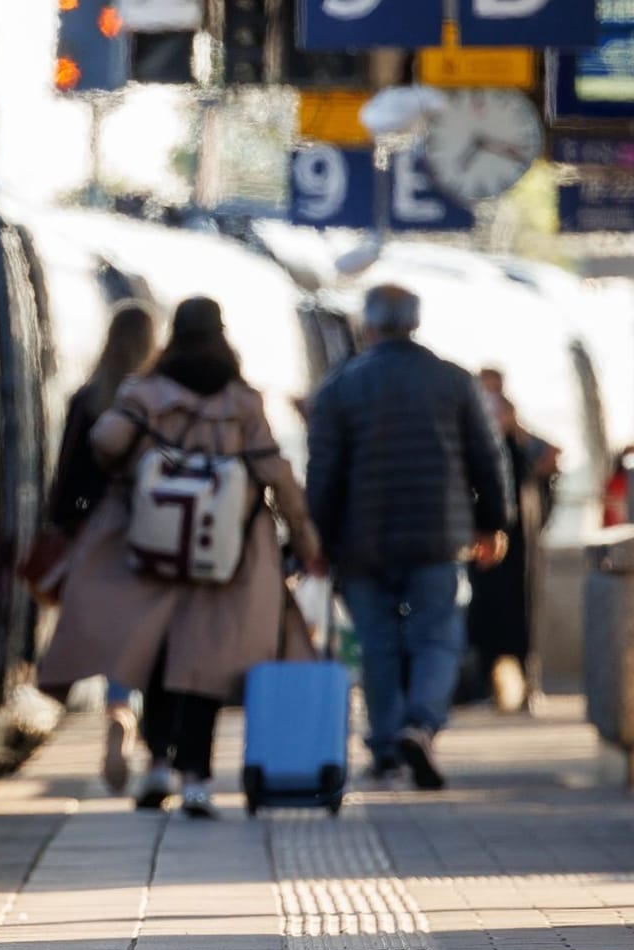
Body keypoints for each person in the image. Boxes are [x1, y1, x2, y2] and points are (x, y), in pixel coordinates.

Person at [40, 297, 324, 818]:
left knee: (158, 658)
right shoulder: (242, 401)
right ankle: (196, 778)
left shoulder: (144, 392)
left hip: (153, 545)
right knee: (204, 668)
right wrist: (305, 540)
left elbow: (105, 442)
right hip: (226, 556)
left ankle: (156, 764)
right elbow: (276, 474)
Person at [305, 286, 513, 790]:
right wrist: (493, 523)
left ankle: (384, 746)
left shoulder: (339, 387)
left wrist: (315, 540)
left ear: (369, 326)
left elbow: (324, 473)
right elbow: (488, 458)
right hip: (437, 536)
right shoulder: (455, 382)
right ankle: (420, 724)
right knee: (436, 637)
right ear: (415, 323)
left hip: (361, 541)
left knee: (376, 643)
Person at [42, 301, 158, 794]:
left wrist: (66, 529)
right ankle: (132, 717)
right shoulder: (157, 399)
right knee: (146, 634)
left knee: (112, 635)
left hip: (99, 535)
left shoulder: (88, 399)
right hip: (157, 534)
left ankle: (117, 714)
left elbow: (66, 482)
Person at [465, 388, 557, 712]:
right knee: (487, 619)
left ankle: (527, 686)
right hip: (489, 549)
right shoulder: (485, 448)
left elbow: (552, 458)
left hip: (518, 551)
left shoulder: (523, 449)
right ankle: (492, 686)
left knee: (521, 619)